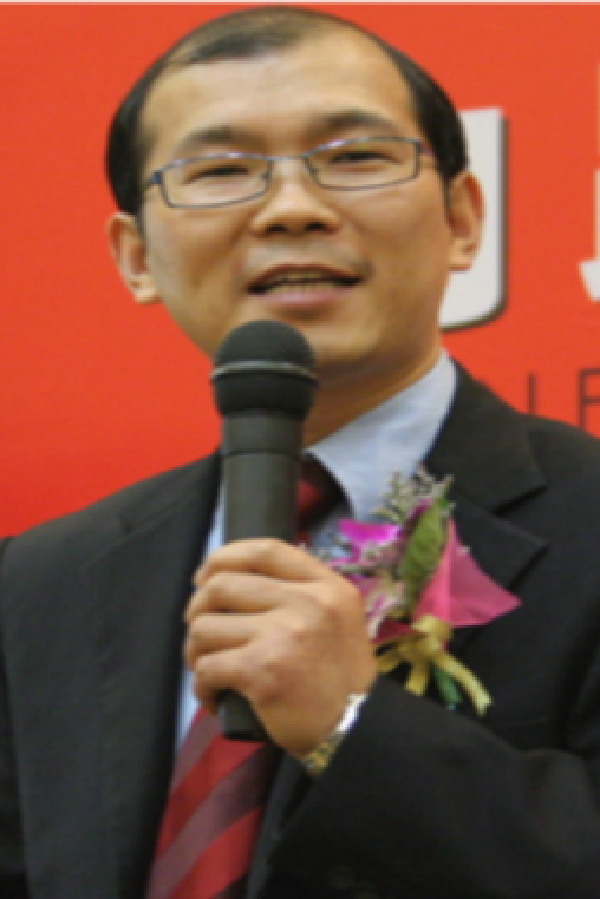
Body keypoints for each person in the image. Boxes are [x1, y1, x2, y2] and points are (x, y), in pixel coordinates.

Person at [2, 5, 600, 898]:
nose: (292, 209)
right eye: (220, 171)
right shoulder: (41, 580)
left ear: (463, 219)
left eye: (355, 157)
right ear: (135, 256)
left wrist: (352, 723)